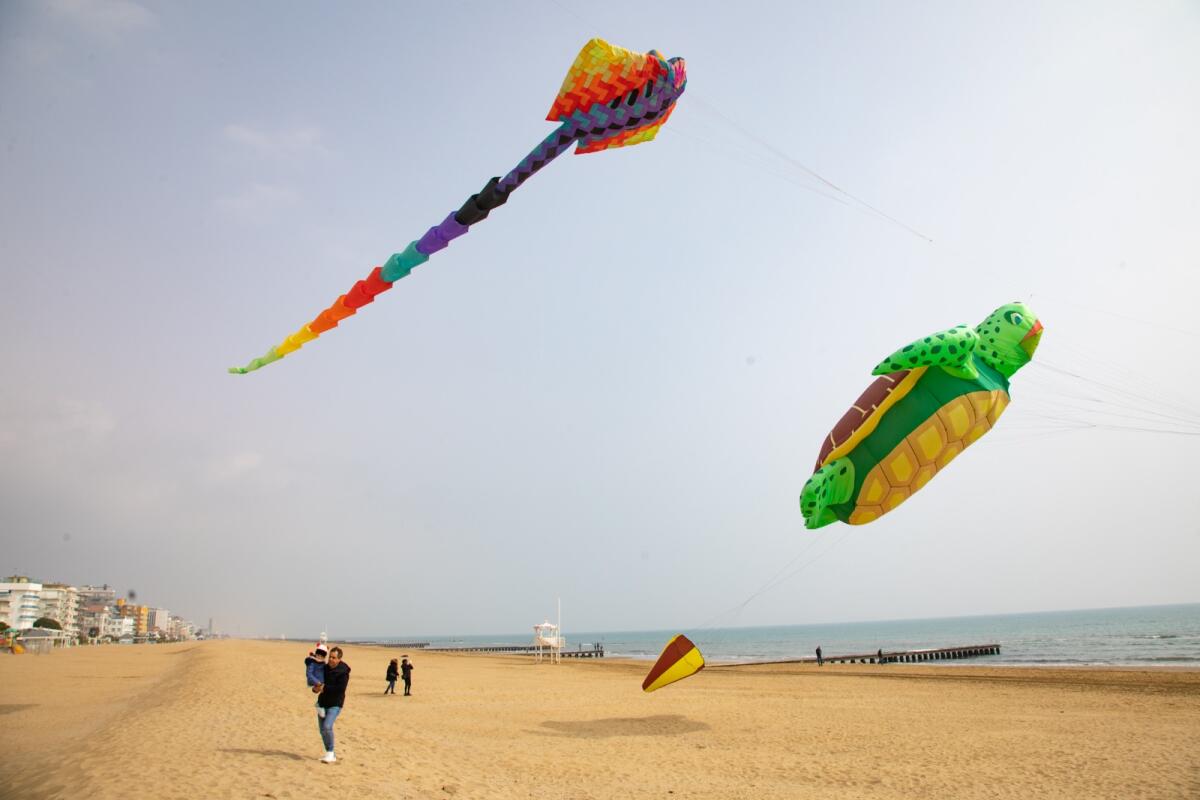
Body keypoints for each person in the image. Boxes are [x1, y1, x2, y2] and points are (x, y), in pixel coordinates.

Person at [316, 646, 351, 763]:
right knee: (322, 730)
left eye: (334, 658)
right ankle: (330, 754)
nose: (331, 659)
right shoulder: (324, 669)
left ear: (339, 659)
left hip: (335, 704)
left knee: (327, 726)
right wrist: (315, 688)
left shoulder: (343, 672)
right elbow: (317, 683)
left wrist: (324, 687)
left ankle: (330, 753)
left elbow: (340, 689)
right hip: (322, 703)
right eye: (330, 657)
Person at [304, 644, 328, 718]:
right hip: (315, 680)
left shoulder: (323, 662)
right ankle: (319, 705)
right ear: (316, 654)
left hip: (321, 680)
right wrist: (317, 682)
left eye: (322, 656)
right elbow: (309, 674)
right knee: (322, 690)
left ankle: (322, 705)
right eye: (319, 655)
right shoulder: (311, 662)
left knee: (324, 691)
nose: (320, 657)